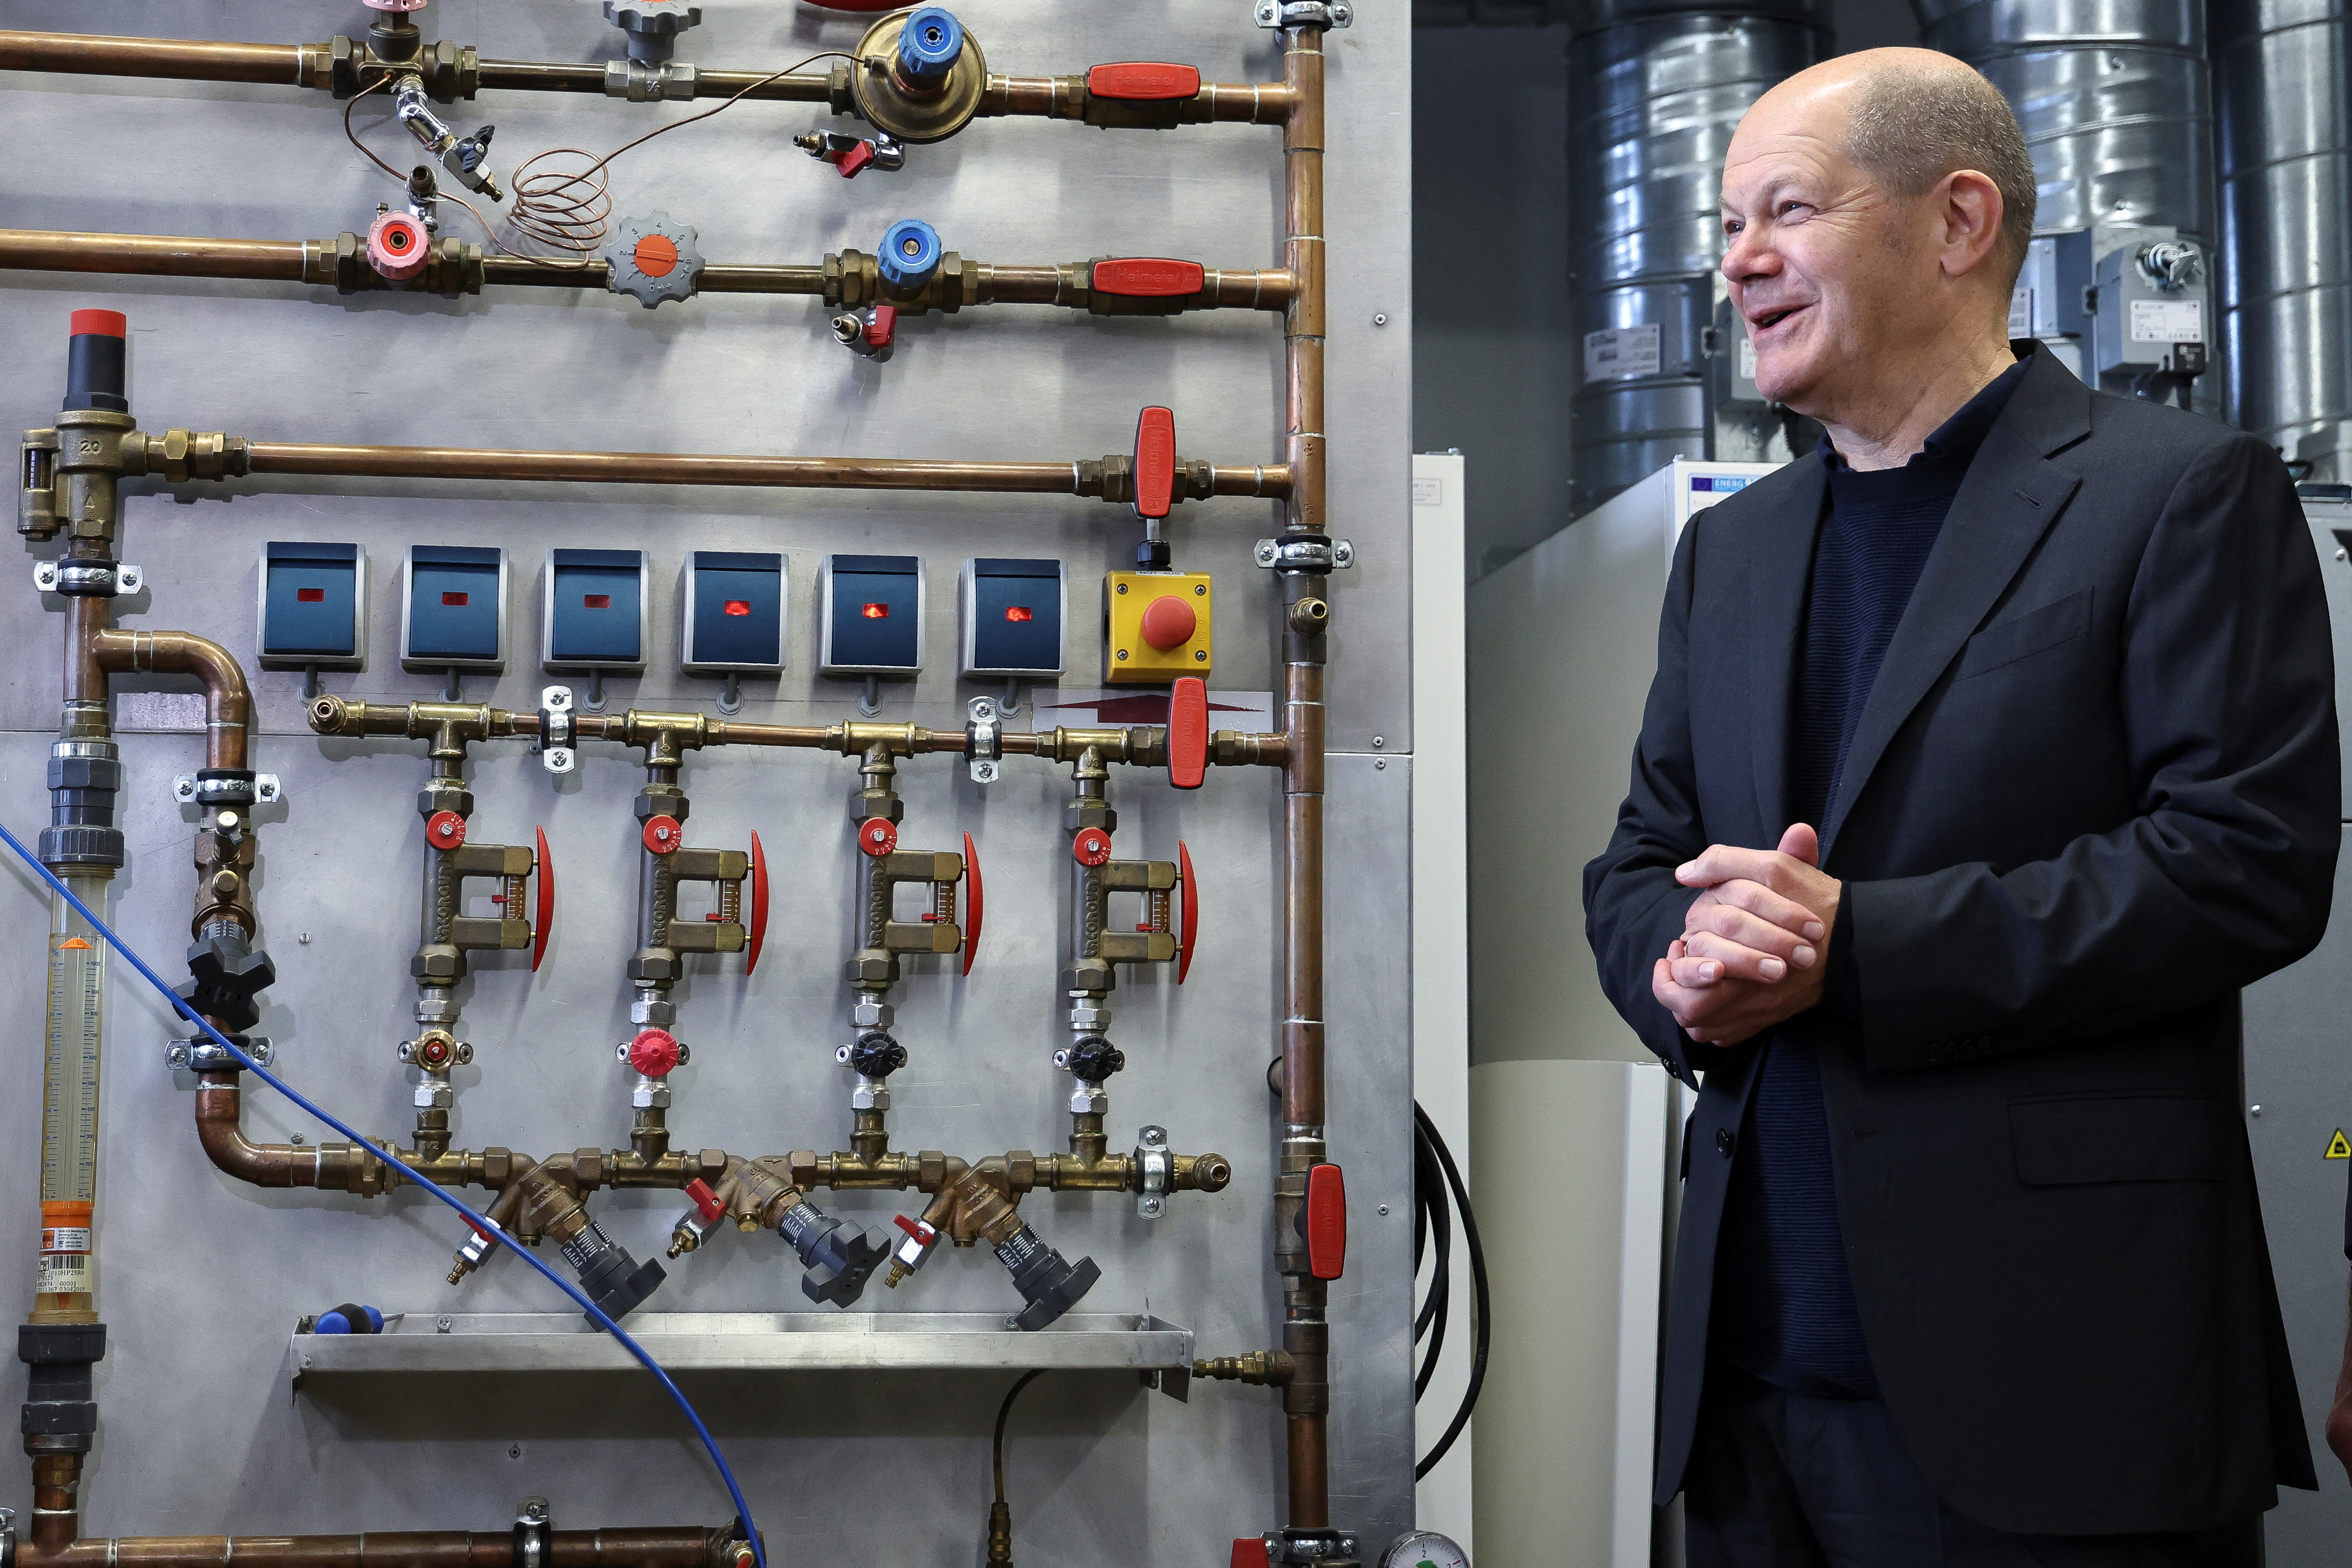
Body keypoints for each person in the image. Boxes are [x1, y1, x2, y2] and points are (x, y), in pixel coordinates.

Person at [1580, 47, 2339, 1568]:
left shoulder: (2180, 494)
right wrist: (1684, 973)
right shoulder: (1733, 552)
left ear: (1959, 221)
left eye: (1786, 209)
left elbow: (2243, 863)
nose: (1737, 260)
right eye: (1727, 223)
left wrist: (1857, 948)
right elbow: (1641, 862)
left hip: (2054, 1385)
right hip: (1751, 1376)